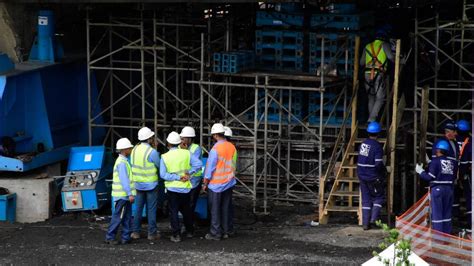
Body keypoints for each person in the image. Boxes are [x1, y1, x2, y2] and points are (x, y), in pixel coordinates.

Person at [160, 131, 202, 242]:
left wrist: (177, 177)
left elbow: (163, 174)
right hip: (185, 188)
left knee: (173, 211)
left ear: (168, 143)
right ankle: (190, 231)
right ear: (179, 142)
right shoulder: (186, 153)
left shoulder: (164, 157)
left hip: (172, 189)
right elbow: (198, 164)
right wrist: (189, 173)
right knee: (186, 210)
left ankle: (176, 235)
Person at [203, 123, 237, 240]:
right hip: (229, 182)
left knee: (215, 210)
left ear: (215, 135)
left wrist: (205, 182)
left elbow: (210, 168)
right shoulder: (232, 147)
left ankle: (216, 233)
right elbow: (233, 164)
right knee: (226, 208)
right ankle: (227, 231)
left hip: (216, 185)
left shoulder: (215, 149)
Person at [416, 140, 458, 234]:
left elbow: (429, 177)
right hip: (449, 189)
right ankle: (447, 234)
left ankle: (438, 237)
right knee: (447, 213)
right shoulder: (453, 162)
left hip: (438, 189)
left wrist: (420, 172)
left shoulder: (435, 162)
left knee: (437, 214)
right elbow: (454, 175)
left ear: (438, 150)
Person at [130, 127, 161, 241]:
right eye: (152, 137)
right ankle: (152, 233)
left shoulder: (134, 150)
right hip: (151, 185)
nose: (153, 139)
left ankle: (135, 232)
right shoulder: (151, 152)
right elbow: (159, 165)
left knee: (138, 209)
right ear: (149, 139)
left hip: (138, 184)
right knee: (151, 209)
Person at [360, 28, 394, 122]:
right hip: (378, 74)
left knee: (371, 97)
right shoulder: (384, 45)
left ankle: (371, 121)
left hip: (367, 74)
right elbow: (391, 57)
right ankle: (372, 119)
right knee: (380, 98)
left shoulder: (367, 46)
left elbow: (361, 62)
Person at [106, 138, 136, 245]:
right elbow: (124, 180)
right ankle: (110, 237)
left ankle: (125, 237)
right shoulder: (122, 163)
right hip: (123, 196)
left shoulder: (122, 161)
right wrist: (130, 194)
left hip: (123, 196)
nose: (131, 149)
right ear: (124, 149)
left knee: (126, 216)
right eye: (129, 148)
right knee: (119, 217)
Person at [357, 121, 386, 230]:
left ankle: (365, 224)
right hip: (372, 176)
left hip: (361, 174)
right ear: (378, 133)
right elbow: (378, 163)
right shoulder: (377, 147)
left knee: (366, 199)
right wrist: (383, 172)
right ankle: (373, 220)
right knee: (379, 197)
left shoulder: (363, 144)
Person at [431, 120, 460, 217]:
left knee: (450, 199)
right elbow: (436, 161)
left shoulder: (454, 144)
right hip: (442, 178)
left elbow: (455, 161)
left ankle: (452, 218)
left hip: (451, 177)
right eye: (454, 131)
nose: (456, 134)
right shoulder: (440, 143)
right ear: (448, 132)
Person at [179, 126, 203, 219]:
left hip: (194, 180)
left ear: (190, 138)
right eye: (181, 138)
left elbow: (194, 163)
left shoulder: (196, 148)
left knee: (191, 203)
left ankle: (188, 223)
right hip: (183, 179)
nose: (182, 140)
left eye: (184, 138)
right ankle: (186, 220)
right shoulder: (179, 147)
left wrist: (185, 152)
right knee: (182, 203)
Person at [456, 119, 472, 230]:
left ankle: (455, 218)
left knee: (454, 195)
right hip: (466, 172)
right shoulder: (470, 141)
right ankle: (470, 220)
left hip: (454, 172)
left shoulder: (452, 140)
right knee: (469, 196)